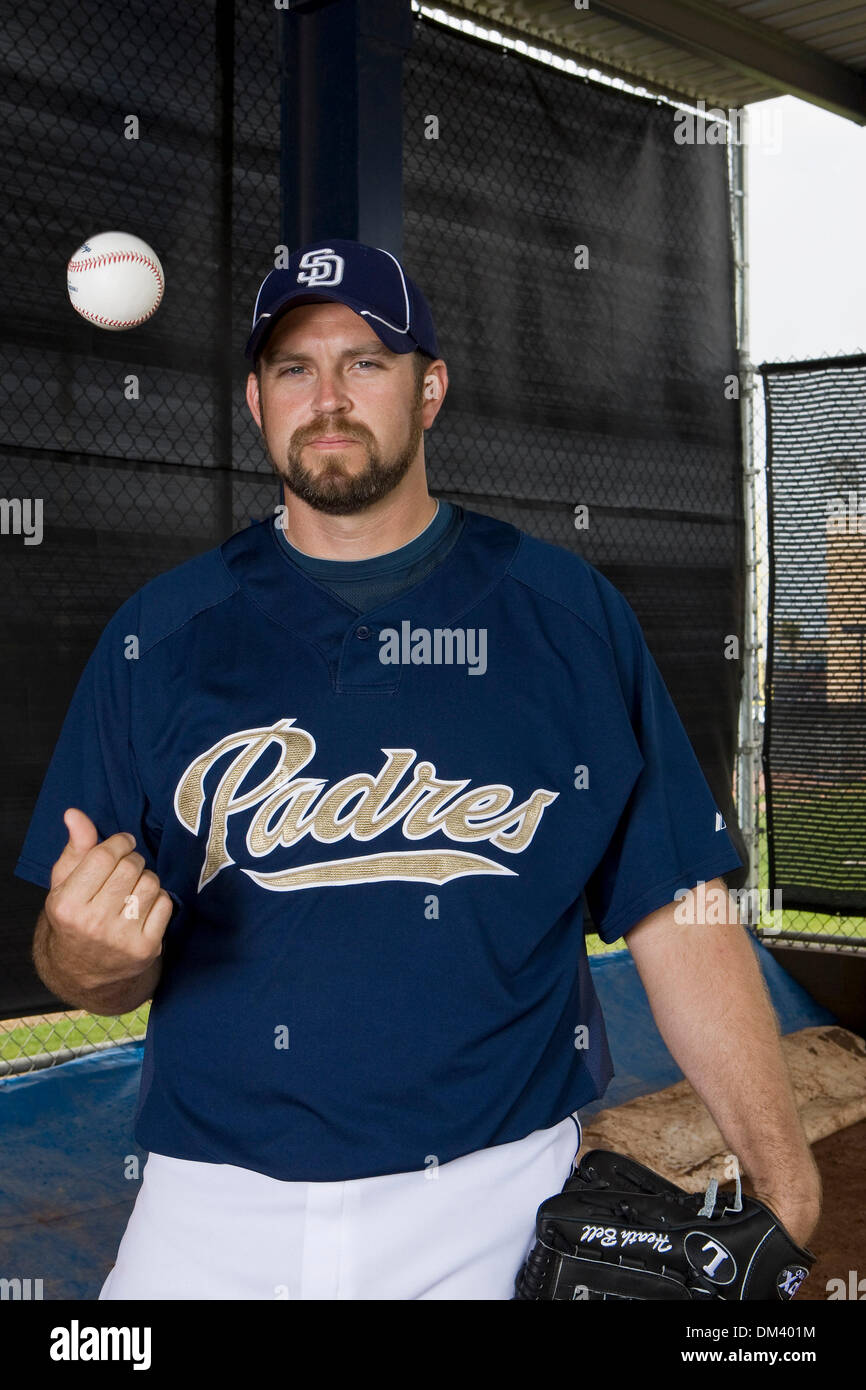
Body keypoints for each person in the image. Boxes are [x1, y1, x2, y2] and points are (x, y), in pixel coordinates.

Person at [16, 238, 821, 1300]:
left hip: (488, 1203)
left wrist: (784, 1178)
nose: (329, 397)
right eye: (294, 368)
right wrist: (85, 953)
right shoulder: (159, 639)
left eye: (366, 361)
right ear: (255, 402)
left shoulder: (566, 620)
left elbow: (675, 905)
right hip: (211, 1206)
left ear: (429, 388)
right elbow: (83, 971)